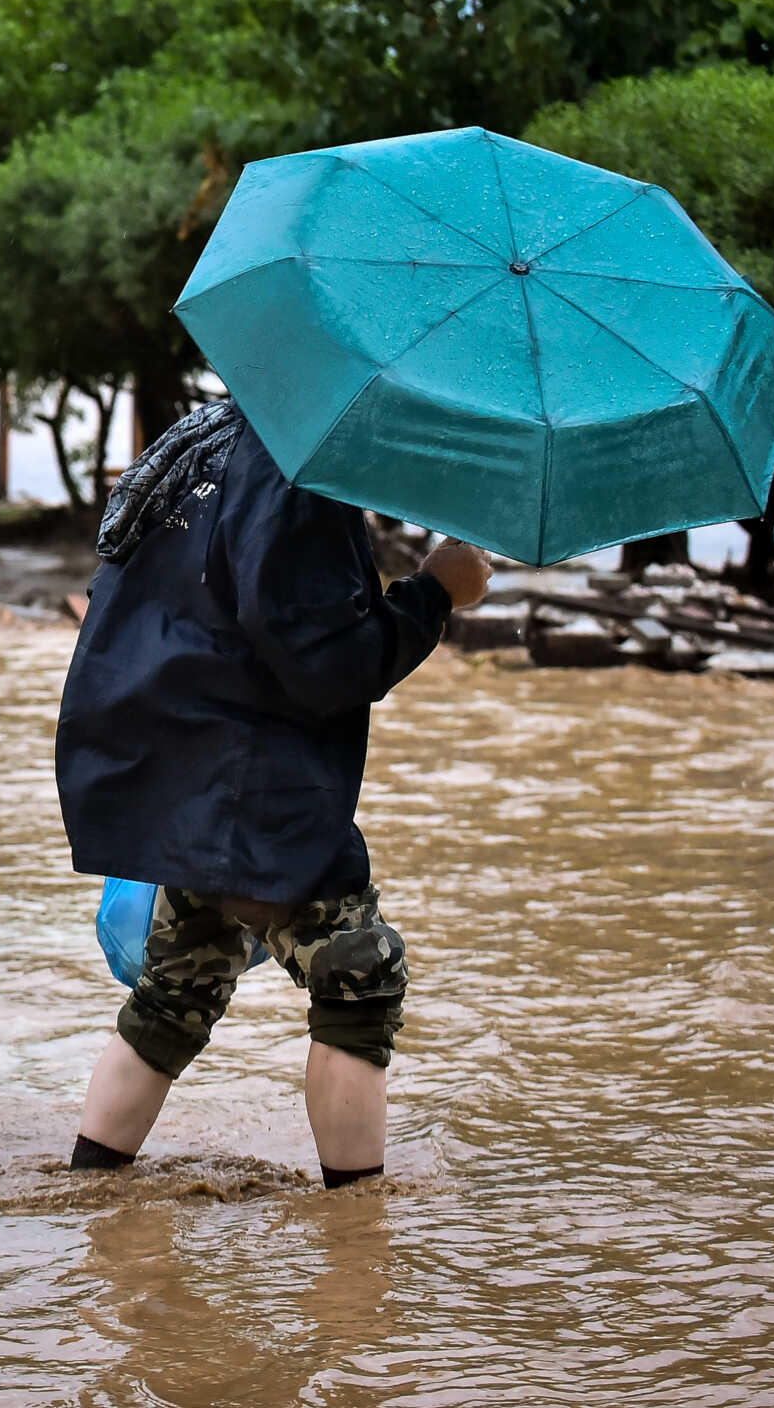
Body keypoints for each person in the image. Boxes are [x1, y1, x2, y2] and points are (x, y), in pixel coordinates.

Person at [55, 400, 492, 1187]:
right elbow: (326, 662)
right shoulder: (299, 474)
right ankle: (357, 1236)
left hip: (180, 774)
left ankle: (90, 1196)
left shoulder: (208, 439)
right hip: (254, 789)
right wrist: (433, 594)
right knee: (359, 978)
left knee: (173, 997)